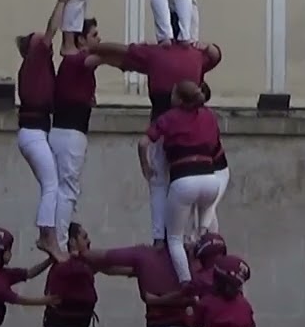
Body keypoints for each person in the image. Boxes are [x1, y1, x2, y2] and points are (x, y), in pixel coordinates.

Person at [91, 39, 221, 245]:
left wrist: (93, 50)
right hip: (198, 161)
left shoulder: (156, 54)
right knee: (197, 205)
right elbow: (215, 56)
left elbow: (125, 53)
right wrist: (206, 46)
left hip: (163, 134)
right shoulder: (195, 58)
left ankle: (160, 239)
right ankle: (200, 239)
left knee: (160, 187)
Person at [139, 80, 224, 283]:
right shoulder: (209, 116)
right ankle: (209, 273)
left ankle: (186, 282)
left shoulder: (169, 118)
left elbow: (143, 143)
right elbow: (215, 146)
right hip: (210, 179)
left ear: (177, 98)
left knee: (175, 239)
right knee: (202, 233)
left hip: (184, 179)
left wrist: (146, 166)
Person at [16, 0, 78, 259]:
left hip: (35, 131)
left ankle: (48, 234)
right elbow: (51, 30)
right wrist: (62, 0)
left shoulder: (36, 68)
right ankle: (47, 236)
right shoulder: (36, 60)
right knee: (52, 185)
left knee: (50, 184)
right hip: (33, 133)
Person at [49, 19, 103, 249]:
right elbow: (99, 57)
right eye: (94, 35)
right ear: (81, 39)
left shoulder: (73, 64)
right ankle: (61, 243)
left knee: (62, 187)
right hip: (71, 133)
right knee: (68, 189)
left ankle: (58, 238)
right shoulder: (78, 60)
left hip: (66, 130)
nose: (98, 39)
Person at [40, 222, 108, 327]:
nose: (89, 241)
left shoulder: (72, 265)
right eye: (84, 237)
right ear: (72, 241)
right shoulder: (72, 266)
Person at [198, 81, 229, 234]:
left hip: (217, 169)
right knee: (202, 208)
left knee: (209, 206)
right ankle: (206, 237)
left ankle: (207, 237)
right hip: (202, 169)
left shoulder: (207, 116)